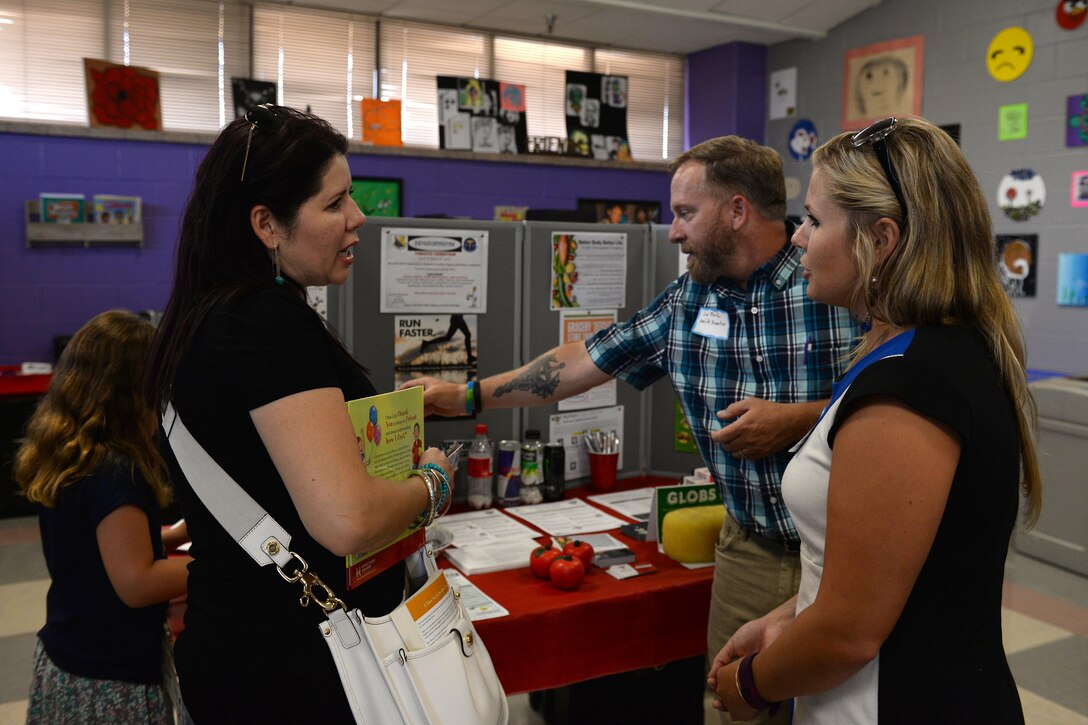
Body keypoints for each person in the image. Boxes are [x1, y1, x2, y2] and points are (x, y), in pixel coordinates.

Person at [404, 135, 858, 725]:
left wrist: (802, 419)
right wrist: (463, 396)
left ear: (738, 211)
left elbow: (896, 399)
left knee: (842, 705)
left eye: (686, 213)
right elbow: (580, 364)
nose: (673, 231)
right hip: (750, 546)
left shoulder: (836, 283)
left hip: (846, 551)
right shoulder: (687, 302)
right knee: (734, 706)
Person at [708, 117, 1041, 723]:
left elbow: (849, 634)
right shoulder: (923, 352)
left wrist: (750, 686)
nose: (797, 240)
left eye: (813, 219)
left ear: (880, 240)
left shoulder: (912, 385)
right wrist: (786, 617)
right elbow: (901, 574)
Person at [145, 104, 455, 723]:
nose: (358, 218)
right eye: (335, 203)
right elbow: (347, 519)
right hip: (293, 664)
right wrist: (433, 482)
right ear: (266, 224)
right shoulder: (267, 323)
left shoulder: (201, 320)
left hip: (236, 648)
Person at [15, 310, 191, 724]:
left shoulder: (73, 455)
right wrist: (215, 565)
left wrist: (174, 537)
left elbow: (94, 551)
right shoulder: (117, 473)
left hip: (69, 660)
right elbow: (136, 582)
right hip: (111, 682)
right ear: (132, 391)